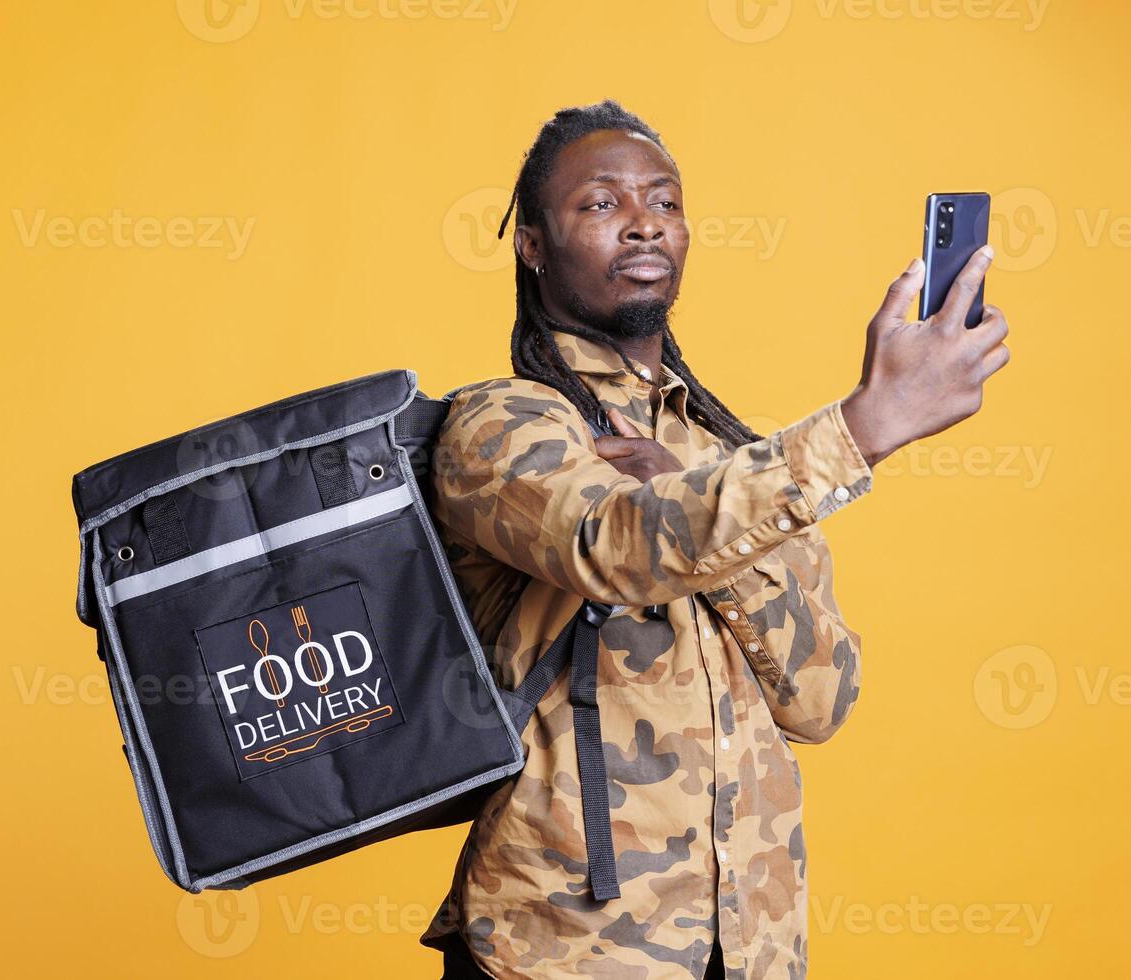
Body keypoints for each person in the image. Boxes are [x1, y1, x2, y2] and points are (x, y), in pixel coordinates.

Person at [420, 99, 1010, 979]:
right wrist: (862, 426)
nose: (644, 223)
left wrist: (706, 521)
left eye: (664, 200)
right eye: (601, 204)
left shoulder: (730, 456)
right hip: (562, 954)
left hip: (749, 950)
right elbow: (612, 546)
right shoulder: (502, 425)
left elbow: (820, 701)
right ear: (531, 243)